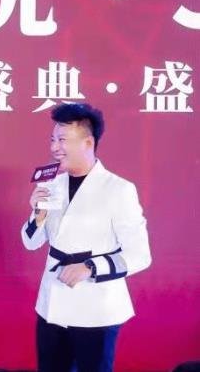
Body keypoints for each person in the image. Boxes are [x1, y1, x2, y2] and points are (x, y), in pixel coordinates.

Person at [21, 103, 151, 372]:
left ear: (88, 142)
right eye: (52, 140)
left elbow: (140, 255)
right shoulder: (51, 185)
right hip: (52, 303)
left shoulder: (119, 189)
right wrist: (38, 214)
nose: (54, 147)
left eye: (62, 140)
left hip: (97, 306)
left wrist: (90, 267)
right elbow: (31, 242)